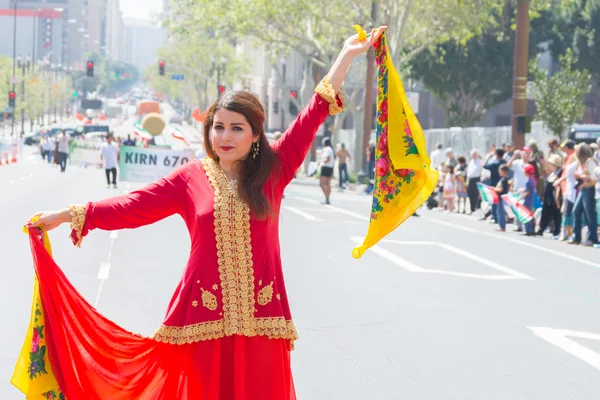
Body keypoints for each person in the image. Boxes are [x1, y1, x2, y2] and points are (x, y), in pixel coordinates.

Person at [26, 26, 386, 399]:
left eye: (236, 128)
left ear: (255, 134)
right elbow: (134, 205)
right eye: (218, 128)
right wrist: (69, 214)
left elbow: (314, 112)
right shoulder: (190, 178)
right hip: (201, 316)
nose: (225, 137)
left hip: (263, 318)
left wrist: (345, 55)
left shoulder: (275, 170)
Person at [569, 143, 598, 246]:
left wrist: (581, 176)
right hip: (583, 189)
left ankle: (592, 238)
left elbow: (595, 177)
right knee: (576, 210)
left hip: (589, 189)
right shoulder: (582, 163)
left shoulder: (590, 162)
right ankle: (576, 237)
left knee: (590, 214)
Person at [537, 154, 563, 238]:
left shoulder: (560, 173)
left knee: (556, 214)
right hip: (548, 196)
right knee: (545, 212)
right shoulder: (553, 172)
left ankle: (556, 231)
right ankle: (541, 228)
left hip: (554, 196)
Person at [521, 163, 537, 236]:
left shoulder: (528, 181)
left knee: (526, 215)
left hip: (527, 200)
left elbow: (527, 192)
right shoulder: (532, 180)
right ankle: (531, 229)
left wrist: (520, 198)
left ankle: (528, 230)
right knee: (530, 215)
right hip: (531, 200)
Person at [494, 165, 511, 232]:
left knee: (500, 212)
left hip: (502, 198)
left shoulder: (504, 180)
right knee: (500, 212)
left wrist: (494, 189)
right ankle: (501, 226)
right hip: (502, 198)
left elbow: (501, 189)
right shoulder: (506, 179)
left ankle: (502, 227)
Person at [319, 137, 335, 204]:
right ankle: (327, 198)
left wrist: (320, 162)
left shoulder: (327, 149)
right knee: (328, 184)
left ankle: (326, 198)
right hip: (330, 168)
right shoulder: (331, 149)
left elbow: (327, 158)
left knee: (322, 184)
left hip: (325, 168)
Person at [466, 149, 483, 214]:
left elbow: (482, 171)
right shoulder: (471, 161)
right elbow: (468, 172)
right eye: (472, 154)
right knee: (470, 194)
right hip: (471, 179)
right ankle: (472, 208)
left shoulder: (480, 161)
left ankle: (477, 208)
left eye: (474, 154)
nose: (473, 156)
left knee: (477, 194)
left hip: (477, 179)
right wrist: (467, 181)